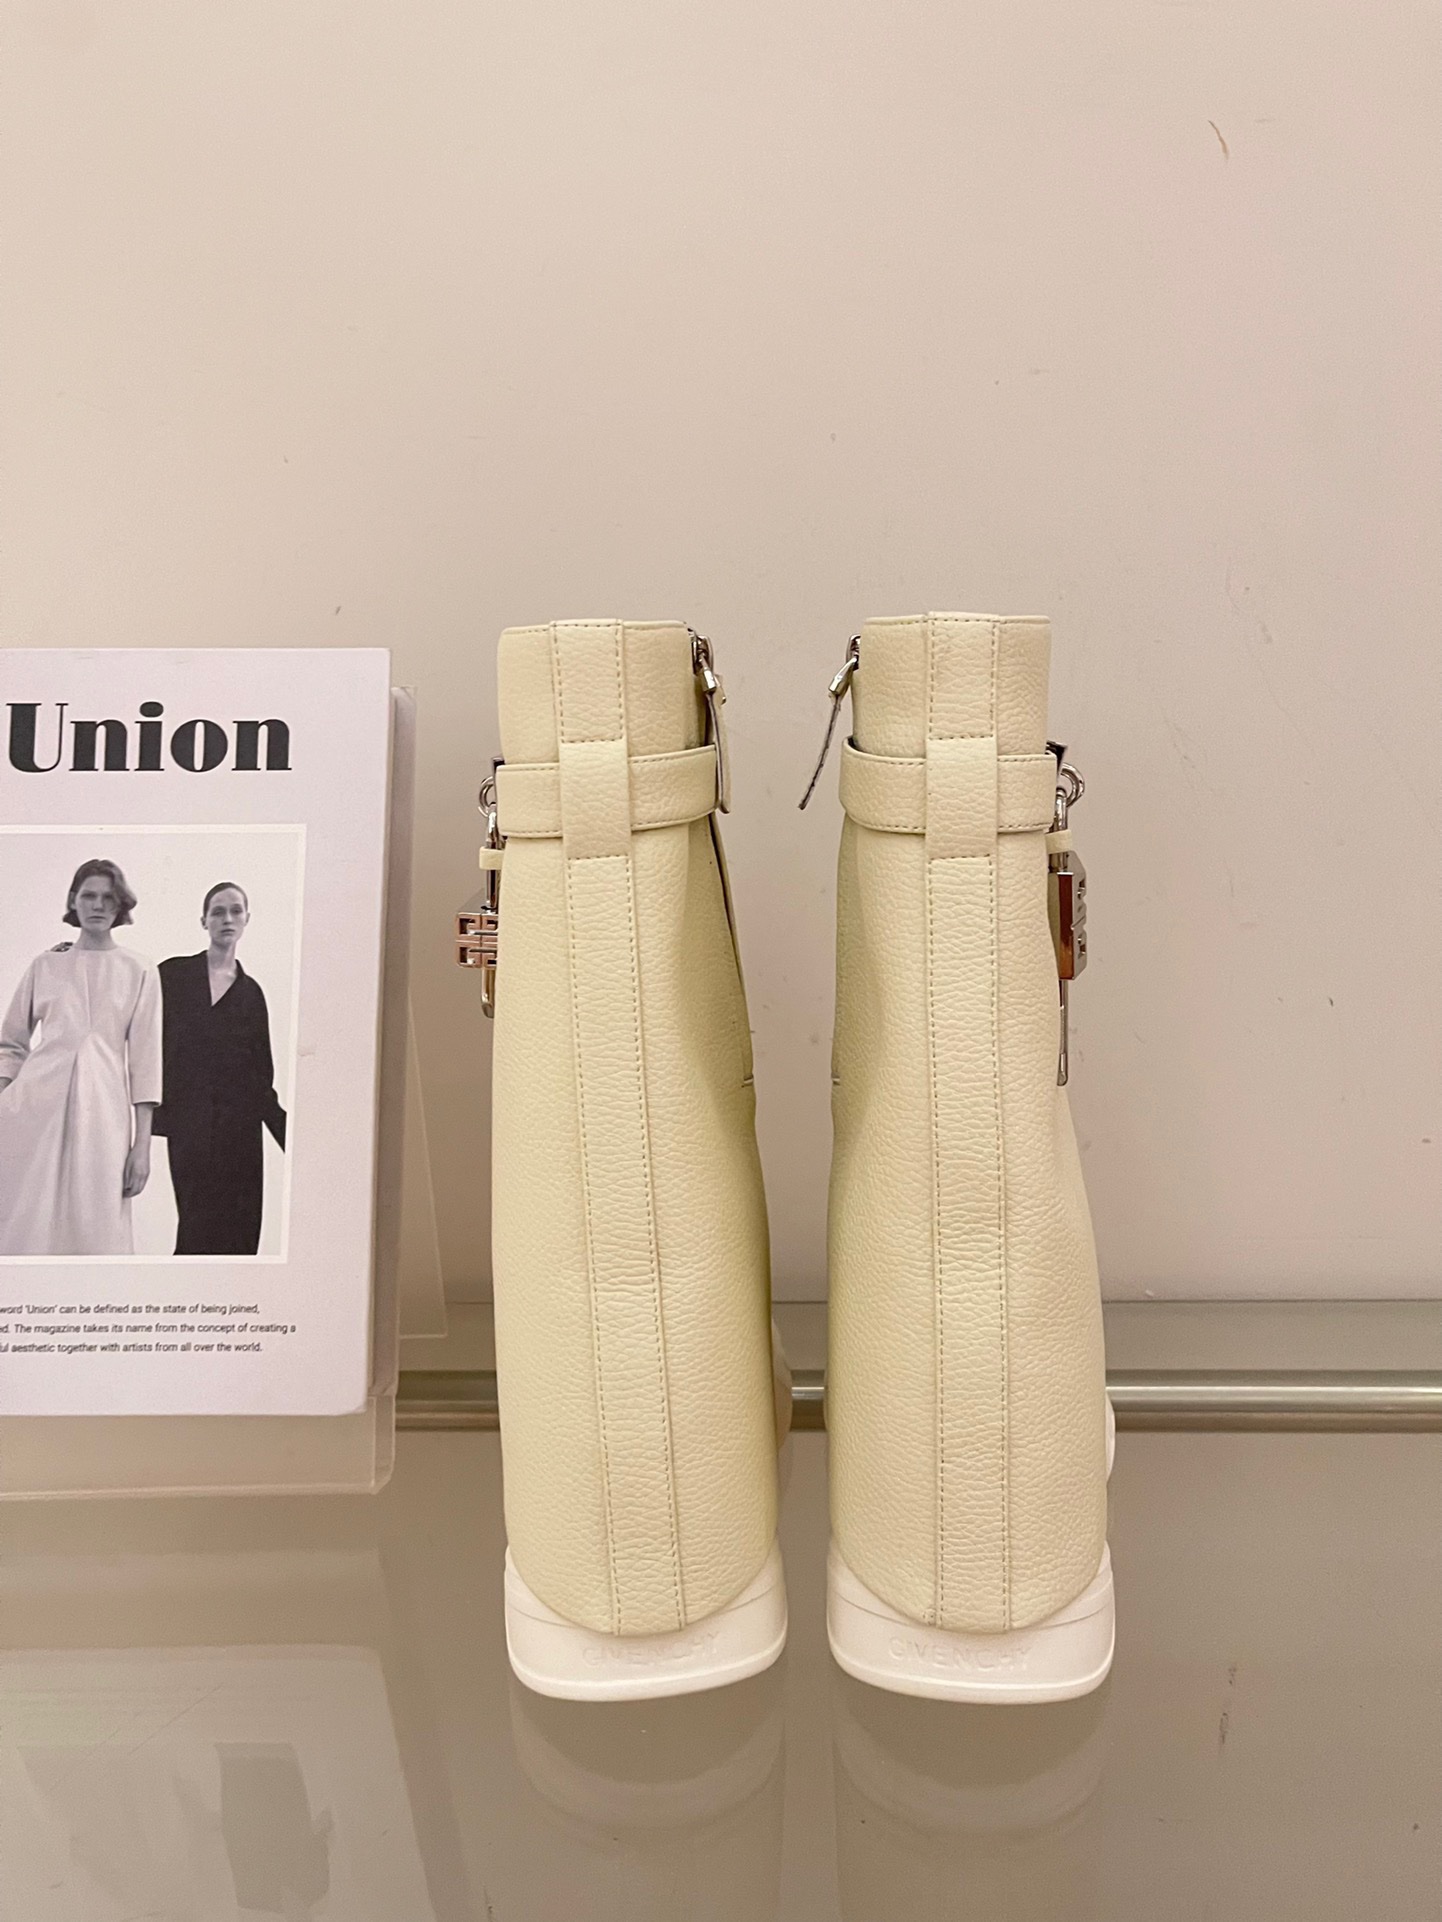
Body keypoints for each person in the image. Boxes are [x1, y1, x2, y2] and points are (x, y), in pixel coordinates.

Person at [0, 859, 161, 1256]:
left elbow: (146, 1063)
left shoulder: (139, 969)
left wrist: (142, 1146)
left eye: (108, 898)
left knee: (99, 1230)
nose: (98, 905)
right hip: (34, 1112)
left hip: (104, 1115)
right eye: (89, 896)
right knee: (28, 1225)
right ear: (74, 900)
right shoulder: (46, 964)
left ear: (121, 905)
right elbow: (11, 1043)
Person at [153, 882, 286, 1256]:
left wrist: (291, 1138)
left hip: (242, 1134)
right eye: (218, 911)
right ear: (204, 921)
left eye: (235, 911)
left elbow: (261, 1079)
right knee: (195, 1231)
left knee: (240, 1238)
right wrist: (75, 954)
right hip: (190, 1126)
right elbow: (127, 995)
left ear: (247, 919)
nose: (227, 918)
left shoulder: (251, 994)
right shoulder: (173, 975)